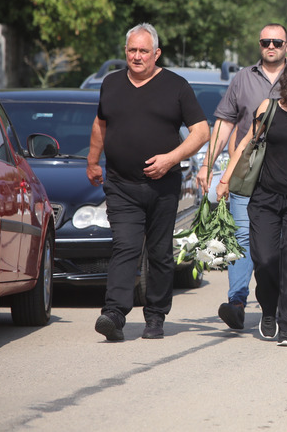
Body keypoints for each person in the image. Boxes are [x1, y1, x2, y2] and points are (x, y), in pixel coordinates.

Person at [197, 24, 287, 331]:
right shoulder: (242, 78)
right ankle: (237, 302)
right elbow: (226, 127)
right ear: (260, 44)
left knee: (281, 250)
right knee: (246, 240)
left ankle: (275, 304)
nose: (271, 45)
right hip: (250, 176)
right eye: (266, 41)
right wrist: (214, 168)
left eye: (277, 41)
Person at [88, 23, 209, 341]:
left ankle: (155, 315)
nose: (137, 56)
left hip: (163, 186)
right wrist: (92, 161)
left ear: (156, 53)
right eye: (131, 50)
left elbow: (201, 132)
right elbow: (100, 124)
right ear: (125, 51)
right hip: (120, 183)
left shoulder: (176, 86)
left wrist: (171, 158)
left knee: (158, 252)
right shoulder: (111, 84)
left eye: (143, 51)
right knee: (124, 246)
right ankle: (114, 313)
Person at [216, 58, 287, 347]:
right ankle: (269, 309)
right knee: (266, 259)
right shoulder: (268, 108)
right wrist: (225, 179)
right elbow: (245, 143)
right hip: (265, 196)